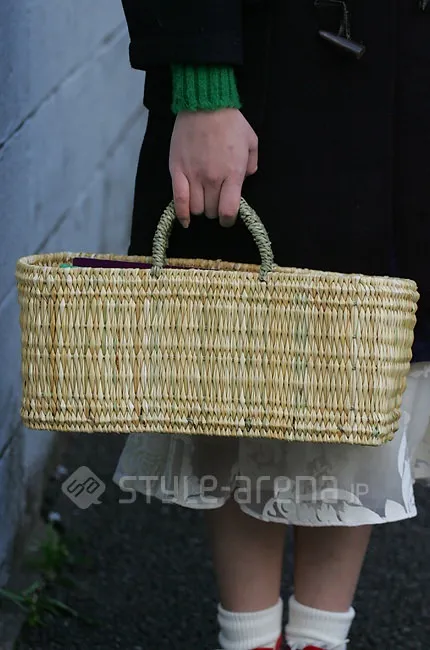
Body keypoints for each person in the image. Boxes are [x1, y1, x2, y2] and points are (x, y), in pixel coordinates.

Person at [114, 1, 430, 648]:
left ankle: (319, 639)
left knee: (366, 369)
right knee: (246, 361)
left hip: (409, 74)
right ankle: (251, 639)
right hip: (275, 72)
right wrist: (203, 87)